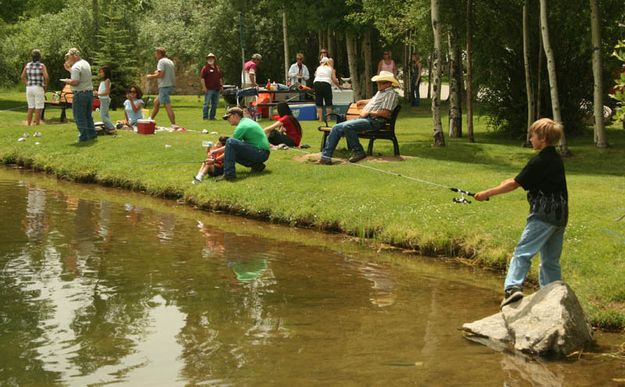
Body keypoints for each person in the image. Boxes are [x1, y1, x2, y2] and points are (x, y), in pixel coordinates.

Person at [474, 118, 568, 308]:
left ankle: (512, 288)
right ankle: (553, 294)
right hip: (560, 216)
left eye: (532, 135)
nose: (530, 139)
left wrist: (487, 193)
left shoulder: (538, 160)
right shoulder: (555, 159)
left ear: (542, 138)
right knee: (550, 260)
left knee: (522, 253)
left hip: (543, 214)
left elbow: (514, 184)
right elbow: (520, 179)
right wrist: (504, 183)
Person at [319, 71, 399, 165]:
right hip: (367, 119)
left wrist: (368, 112)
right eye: (378, 82)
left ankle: (359, 152)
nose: (379, 84)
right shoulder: (381, 92)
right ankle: (326, 157)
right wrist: (364, 102)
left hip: (376, 121)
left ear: (389, 83)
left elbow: (386, 113)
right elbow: (374, 101)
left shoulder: (391, 94)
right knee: (336, 128)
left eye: (382, 82)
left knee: (348, 126)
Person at [221, 107, 270, 181]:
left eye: (228, 117)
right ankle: (257, 166)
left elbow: (229, 146)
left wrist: (214, 154)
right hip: (263, 153)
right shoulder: (246, 121)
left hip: (260, 153)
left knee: (230, 141)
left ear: (235, 115)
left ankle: (229, 174)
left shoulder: (242, 126)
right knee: (232, 148)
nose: (227, 120)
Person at [62, 48, 97, 142]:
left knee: (79, 116)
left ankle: (83, 136)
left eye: (69, 56)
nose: (68, 58)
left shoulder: (76, 66)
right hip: (89, 93)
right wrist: (69, 70)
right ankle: (92, 134)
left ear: (74, 56)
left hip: (80, 94)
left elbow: (76, 82)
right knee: (88, 115)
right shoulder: (85, 63)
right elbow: (81, 77)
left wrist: (67, 81)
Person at [147, 47, 177, 127]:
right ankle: (150, 119)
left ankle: (173, 124)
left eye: (156, 53)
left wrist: (151, 76)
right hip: (170, 85)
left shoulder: (161, 61)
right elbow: (165, 72)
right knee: (156, 102)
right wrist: (157, 72)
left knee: (167, 105)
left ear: (160, 54)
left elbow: (161, 75)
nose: (155, 55)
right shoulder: (170, 61)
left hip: (164, 85)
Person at [20, 49, 49, 126]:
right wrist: (45, 86)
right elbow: (46, 77)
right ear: (39, 57)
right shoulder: (42, 66)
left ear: (31, 57)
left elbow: (22, 77)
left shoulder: (27, 65)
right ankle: (36, 124)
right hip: (38, 87)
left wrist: (27, 83)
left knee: (30, 107)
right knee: (38, 107)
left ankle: (28, 124)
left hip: (29, 88)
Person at [313, 57, 341, 122]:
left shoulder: (319, 68)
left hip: (317, 83)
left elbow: (316, 76)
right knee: (328, 102)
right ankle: (328, 119)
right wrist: (339, 87)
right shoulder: (330, 68)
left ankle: (320, 119)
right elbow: (334, 79)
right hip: (326, 83)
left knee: (319, 101)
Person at [200, 53, 223, 120]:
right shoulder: (205, 68)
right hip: (209, 89)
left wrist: (221, 86)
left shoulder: (217, 67)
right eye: (209, 58)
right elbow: (202, 78)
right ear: (207, 59)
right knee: (206, 104)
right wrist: (204, 87)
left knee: (215, 104)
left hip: (217, 89)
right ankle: (205, 117)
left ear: (214, 59)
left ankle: (212, 117)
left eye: (212, 58)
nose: (210, 59)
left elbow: (220, 78)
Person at [95, 65, 115, 133]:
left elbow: (107, 92)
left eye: (101, 72)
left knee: (103, 116)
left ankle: (112, 128)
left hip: (105, 99)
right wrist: (97, 93)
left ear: (106, 73)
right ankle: (108, 126)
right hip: (102, 99)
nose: (100, 74)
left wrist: (98, 94)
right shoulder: (103, 81)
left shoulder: (107, 80)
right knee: (106, 115)